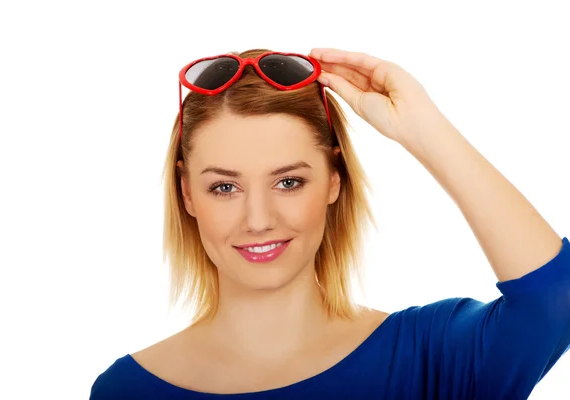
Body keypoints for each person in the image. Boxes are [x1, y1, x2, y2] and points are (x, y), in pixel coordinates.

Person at [89, 48, 570, 399]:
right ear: (187, 193)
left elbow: (556, 298)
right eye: (225, 187)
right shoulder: (125, 390)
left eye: (289, 182)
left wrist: (421, 129)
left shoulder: (428, 357)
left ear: (334, 181)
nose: (258, 220)